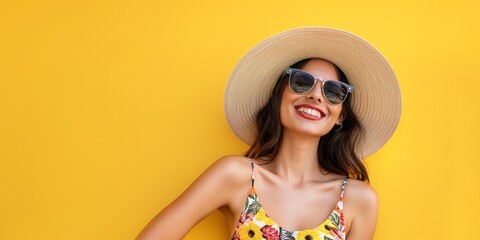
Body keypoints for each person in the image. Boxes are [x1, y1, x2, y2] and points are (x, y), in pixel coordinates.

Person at [136, 27, 401, 240]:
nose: (315, 95)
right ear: (279, 98)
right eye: (301, 82)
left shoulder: (359, 200)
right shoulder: (235, 176)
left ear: (340, 116)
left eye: (332, 92)